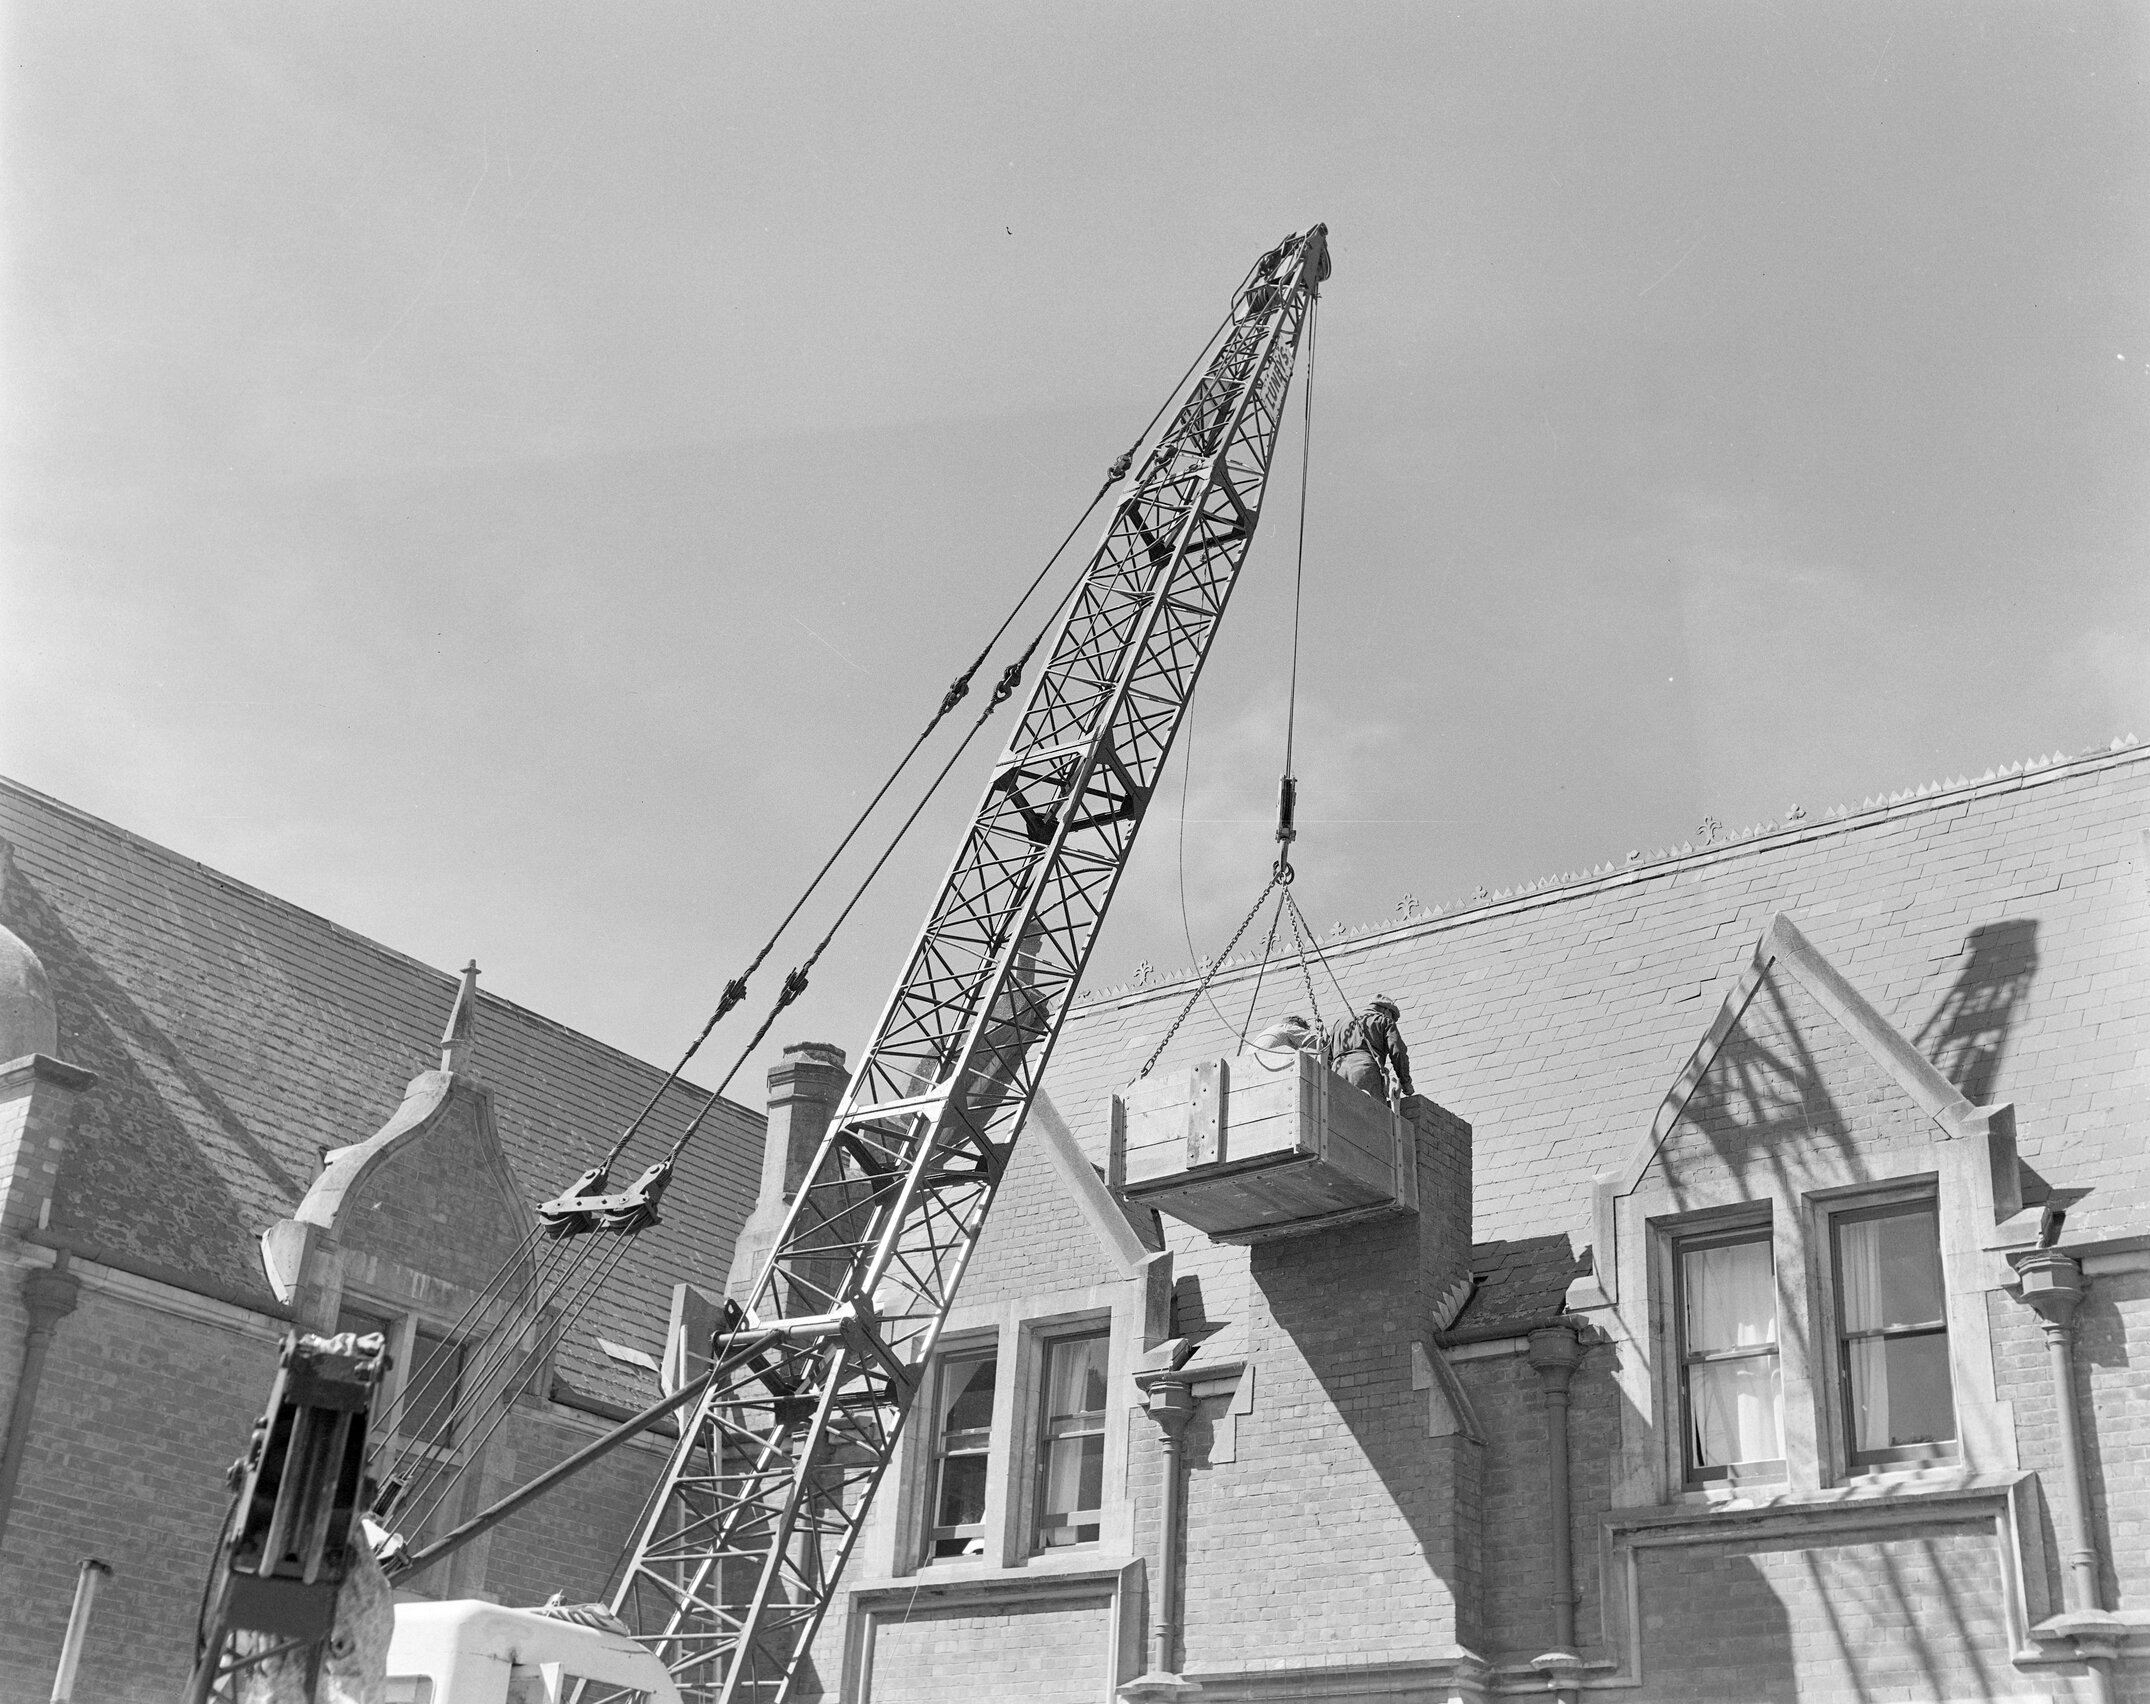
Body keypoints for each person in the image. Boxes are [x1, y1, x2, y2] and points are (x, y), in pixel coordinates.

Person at [1324, 997, 1415, 1102]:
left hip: (1337, 1072)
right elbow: (1398, 1052)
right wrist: (1405, 1082)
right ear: (1387, 1010)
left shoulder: (1340, 1023)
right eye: (1393, 1017)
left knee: (1339, 1114)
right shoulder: (1383, 1020)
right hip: (1365, 1071)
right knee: (1374, 1113)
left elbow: (1327, 1056)